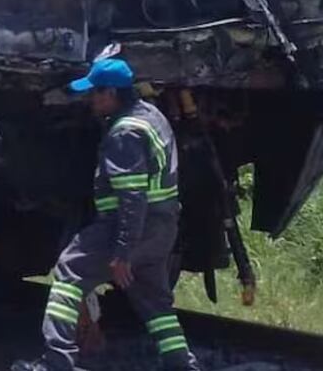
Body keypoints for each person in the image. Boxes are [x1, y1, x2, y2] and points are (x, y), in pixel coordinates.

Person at [13, 58, 200, 371]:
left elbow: (132, 197)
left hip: (127, 227)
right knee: (155, 302)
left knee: (69, 272)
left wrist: (122, 251)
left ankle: (56, 362)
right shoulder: (153, 117)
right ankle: (182, 365)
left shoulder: (123, 134)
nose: (91, 99)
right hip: (162, 228)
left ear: (112, 93)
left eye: (96, 92)